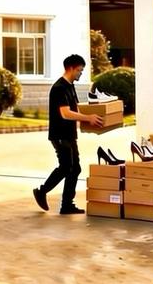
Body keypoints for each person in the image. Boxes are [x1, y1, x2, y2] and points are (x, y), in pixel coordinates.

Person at [32, 54, 103, 215]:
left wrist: (94, 111)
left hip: (70, 134)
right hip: (59, 135)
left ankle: (66, 205)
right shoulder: (59, 88)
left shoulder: (70, 86)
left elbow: (75, 108)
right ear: (70, 68)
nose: (81, 73)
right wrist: (88, 118)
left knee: (75, 168)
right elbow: (65, 113)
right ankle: (42, 191)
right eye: (79, 70)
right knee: (66, 167)